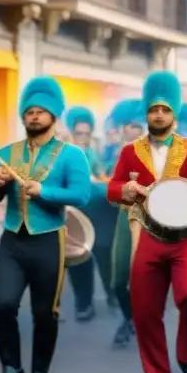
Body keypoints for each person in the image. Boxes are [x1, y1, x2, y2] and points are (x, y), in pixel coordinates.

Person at [106, 71, 187, 373]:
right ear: (146, 113)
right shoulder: (130, 152)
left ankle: (186, 358)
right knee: (144, 310)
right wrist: (125, 189)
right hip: (150, 236)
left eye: (165, 110)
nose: (158, 115)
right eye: (153, 109)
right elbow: (113, 189)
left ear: (174, 114)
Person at [0, 76, 92, 373]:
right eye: (29, 111)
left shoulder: (71, 155)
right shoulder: (6, 154)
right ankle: (11, 371)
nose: (34, 116)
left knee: (45, 312)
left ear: (53, 116)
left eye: (41, 111)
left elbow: (81, 195)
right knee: (1, 305)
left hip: (48, 240)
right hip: (12, 240)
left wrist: (44, 190)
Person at [64, 105, 116, 322]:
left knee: (105, 254)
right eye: (79, 134)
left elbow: (101, 177)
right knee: (78, 257)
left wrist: (103, 183)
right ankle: (84, 303)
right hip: (75, 213)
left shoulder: (94, 154)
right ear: (70, 133)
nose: (83, 139)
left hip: (100, 213)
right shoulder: (62, 155)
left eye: (87, 134)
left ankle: (113, 294)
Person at [107, 98, 145, 348]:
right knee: (118, 279)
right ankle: (129, 317)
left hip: (153, 220)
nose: (133, 131)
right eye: (130, 126)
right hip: (125, 218)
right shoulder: (119, 156)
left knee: (147, 277)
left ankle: (141, 323)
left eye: (138, 126)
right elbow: (112, 193)